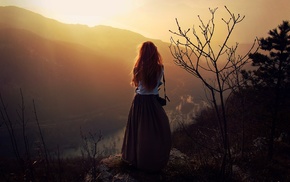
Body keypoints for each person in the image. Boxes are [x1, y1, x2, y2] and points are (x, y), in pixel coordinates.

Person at [121, 41, 172, 172]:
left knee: (138, 131)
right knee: (159, 129)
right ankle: (154, 159)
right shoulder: (160, 68)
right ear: (155, 53)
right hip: (153, 102)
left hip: (139, 101)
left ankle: (136, 158)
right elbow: (157, 84)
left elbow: (137, 85)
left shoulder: (137, 68)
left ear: (141, 53)